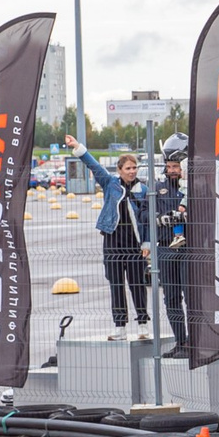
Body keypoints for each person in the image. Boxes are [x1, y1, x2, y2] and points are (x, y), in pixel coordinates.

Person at [66, 136, 153, 333]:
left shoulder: (143, 190)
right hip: (113, 241)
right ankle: (120, 326)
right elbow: (94, 166)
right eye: (128, 168)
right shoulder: (110, 184)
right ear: (120, 170)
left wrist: (146, 243)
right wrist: (77, 147)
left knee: (137, 284)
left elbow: (146, 219)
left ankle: (142, 323)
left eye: (134, 168)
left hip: (134, 243)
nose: (132, 172)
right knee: (116, 284)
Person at [155, 149, 190, 358]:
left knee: (191, 295)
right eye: (168, 167)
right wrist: (160, 218)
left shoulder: (195, 188)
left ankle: (196, 342)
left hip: (190, 248)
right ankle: (181, 342)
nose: (172, 171)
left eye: (175, 167)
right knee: (171, 298)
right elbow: (144, 213)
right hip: (166, 247)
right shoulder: (158, 189)